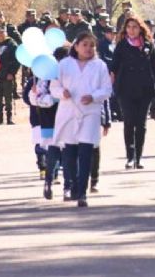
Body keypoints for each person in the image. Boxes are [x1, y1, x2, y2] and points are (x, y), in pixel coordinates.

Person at [50, 32, 112, 208]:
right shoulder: (64, 64)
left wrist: (93, 96)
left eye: (92, 45)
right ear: (76, 46)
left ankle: (83, 192)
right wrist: (62, 93)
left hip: (90, 112)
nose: (88, 48)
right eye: (84, 44)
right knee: (70, 153)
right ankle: (73, 185)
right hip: (69, 111)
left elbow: (107, 90)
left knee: (86, 151)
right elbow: (54, 87)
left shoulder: (100, 66)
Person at [110, 16, 155, 169]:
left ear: (140, 28)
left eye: (134, 27)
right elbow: (114, 66)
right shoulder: (122, 45)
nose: (131, 30)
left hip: (145, 89)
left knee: (141, 124)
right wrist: (110, 80)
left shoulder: (148, 45)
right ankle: (130, 156)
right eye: (129, 27)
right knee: (129, 122)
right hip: (125, 89)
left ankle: (138, 158)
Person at [36, 47, 69, 200]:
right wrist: (55, 98)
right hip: (51, 119)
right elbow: (38, 98)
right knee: (54, 151)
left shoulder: (74, 74)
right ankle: (49, 181)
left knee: (70, 152)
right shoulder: (46, 76)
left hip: (70, 117)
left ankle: (68, 186)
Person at [0, 25, 20, 125]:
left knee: (8, 97)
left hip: (7, 75)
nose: (0, 35)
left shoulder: (12, 45)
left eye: (2, 32)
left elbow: (16, 61)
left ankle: (9, 118)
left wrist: (12, 73)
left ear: (6, 33)